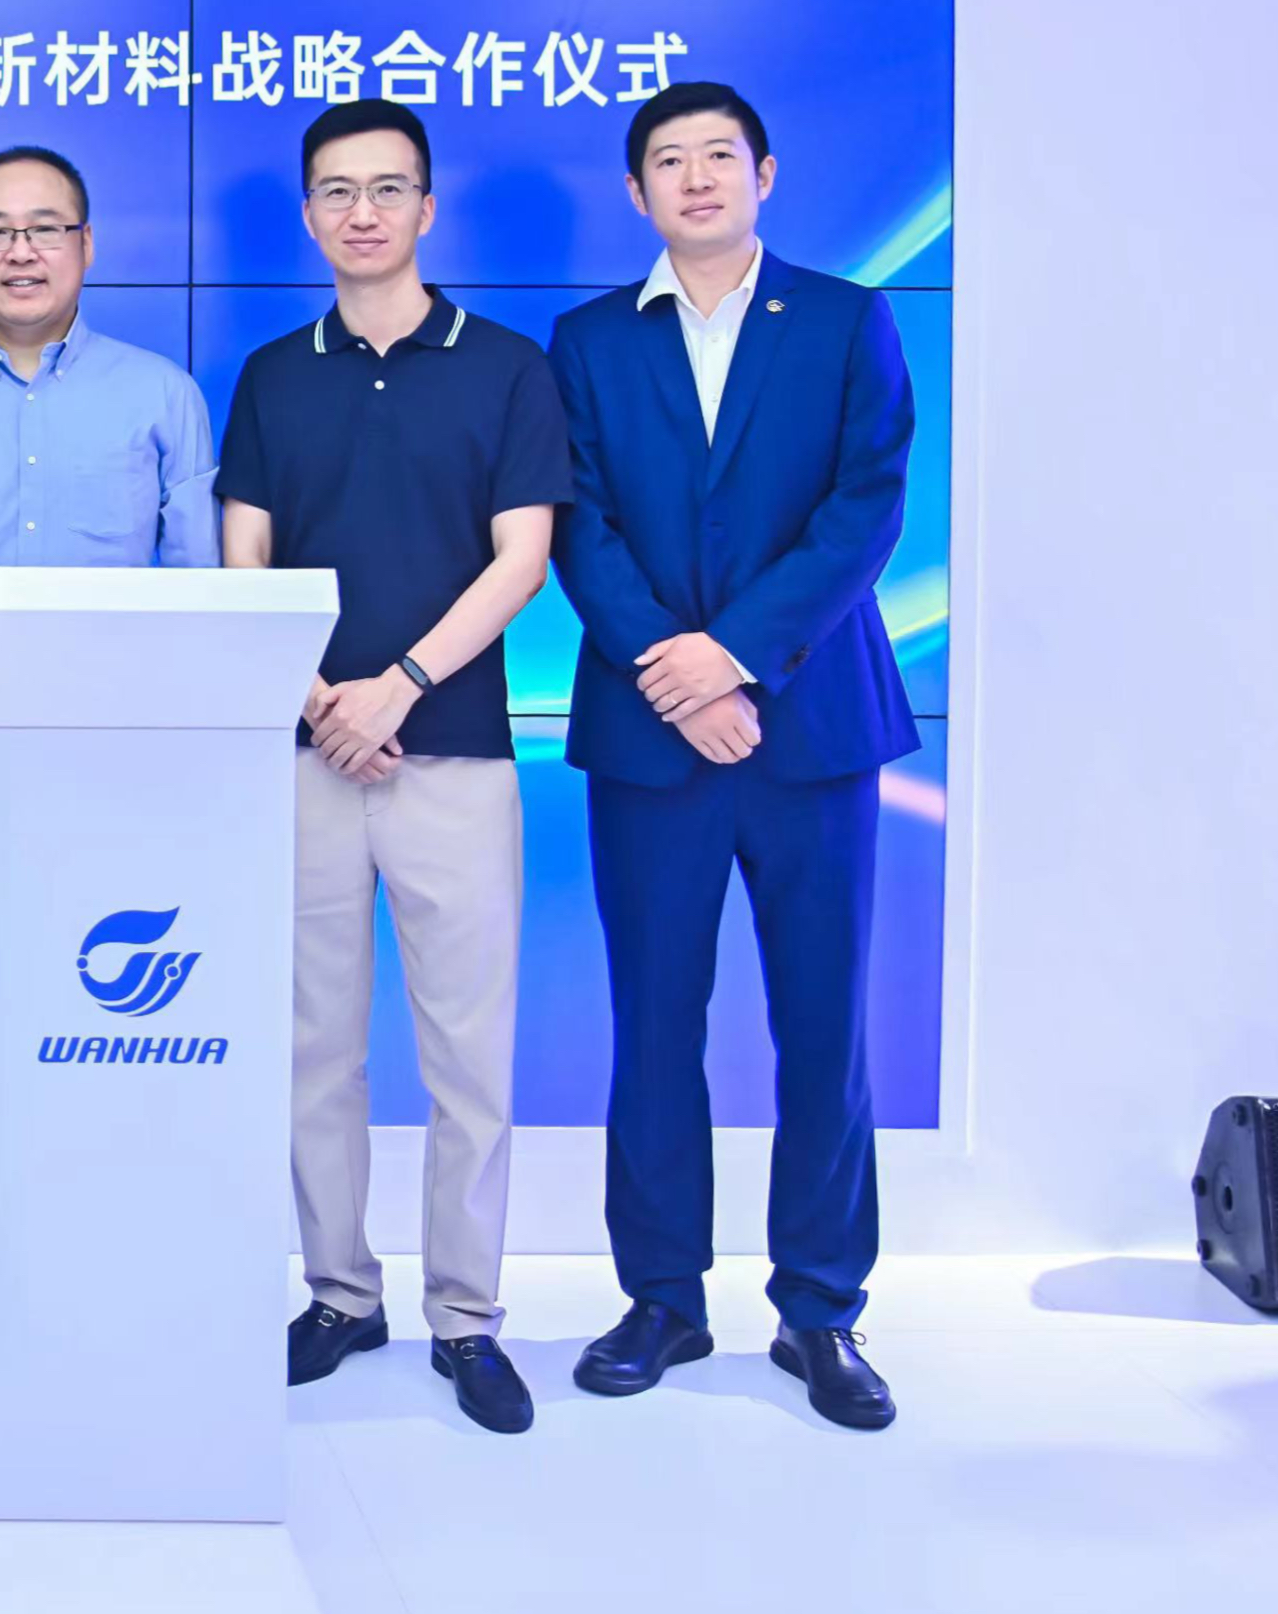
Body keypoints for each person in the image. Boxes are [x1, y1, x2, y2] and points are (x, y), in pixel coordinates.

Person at [547, 81, 917, 1432]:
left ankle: (819, 1308)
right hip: (650, 736)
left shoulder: (842, 319)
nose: (694, 176)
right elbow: (576, 521)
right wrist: (669, 663)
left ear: (763, 173)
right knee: (653, 1022)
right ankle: (660, 1297)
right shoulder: (588, 339)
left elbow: (863, 507)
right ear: (634, 190)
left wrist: (737, 656)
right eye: (667, 159)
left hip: (808, 729)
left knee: (821, 1024)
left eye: (718, 155)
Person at [218, 100, 569, 1435]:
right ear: (307, 214)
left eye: (385, 189)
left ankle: (466, 1317)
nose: (359, 212)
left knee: (466, 1056)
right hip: (306, 756)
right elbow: (243, 555)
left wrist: (397, 685)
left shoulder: (505, 367)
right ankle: (338, 1294)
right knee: (312, 1047)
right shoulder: (271, 374)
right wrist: (316, 696)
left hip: (454, 753)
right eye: (334, 191)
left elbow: (521, 558)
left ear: (426, 207)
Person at [0, 146, 217, 1373]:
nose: (21, 251)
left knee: (105, 1008)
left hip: (112, 732)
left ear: (86, 247)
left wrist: (180, 748)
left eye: (46, 227)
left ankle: (95, 1257)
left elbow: (195, 586)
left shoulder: (159, 394)